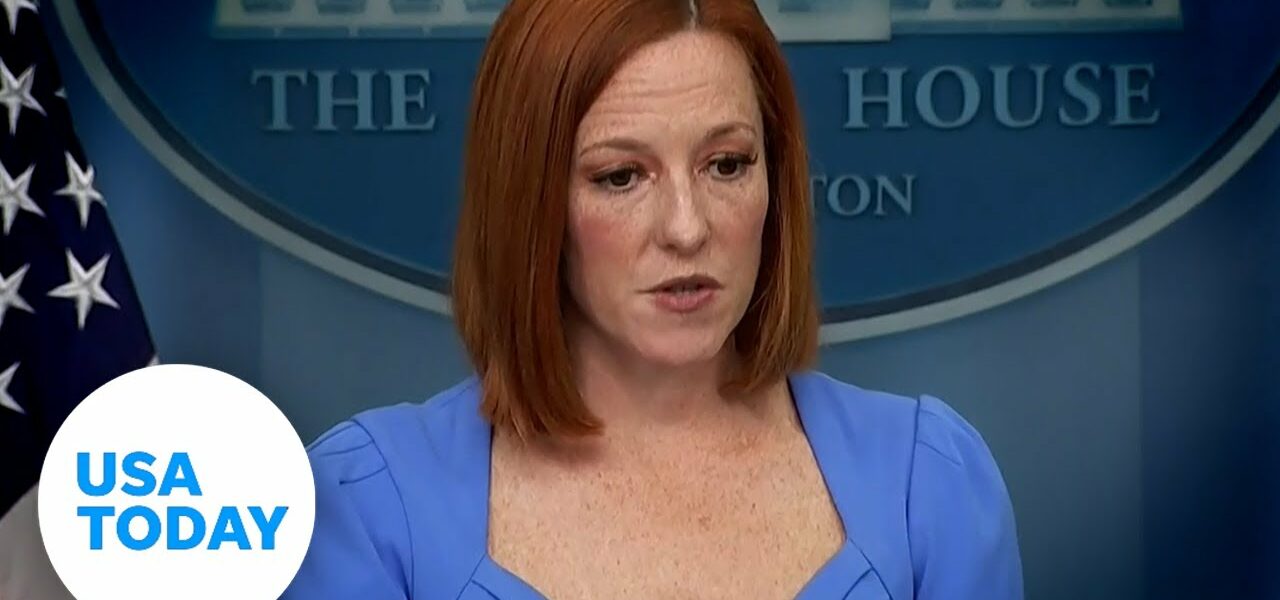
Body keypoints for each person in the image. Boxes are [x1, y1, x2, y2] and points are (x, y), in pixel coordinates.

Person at [282, 0, 1023, 597]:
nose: (687, 228)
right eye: (621, 176)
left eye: (726, 164)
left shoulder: (928, 484)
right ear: (529, 207)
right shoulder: (366, 508)